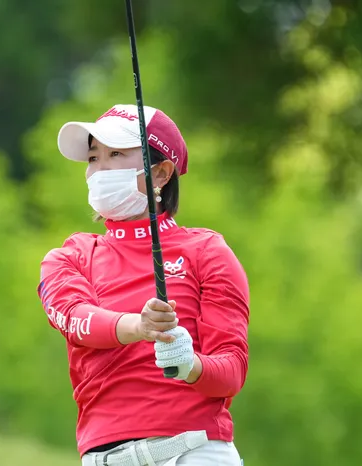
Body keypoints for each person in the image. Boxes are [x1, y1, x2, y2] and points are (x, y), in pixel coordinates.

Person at [36, 104, 250, 466]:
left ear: (161, 173)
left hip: (195, 453)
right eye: (93, 157)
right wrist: (139, 326)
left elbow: (231, 370)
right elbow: (75, 318)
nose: (99, 169)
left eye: (116, 154)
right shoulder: (71, 256)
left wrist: (189, 365)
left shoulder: (207, 251)